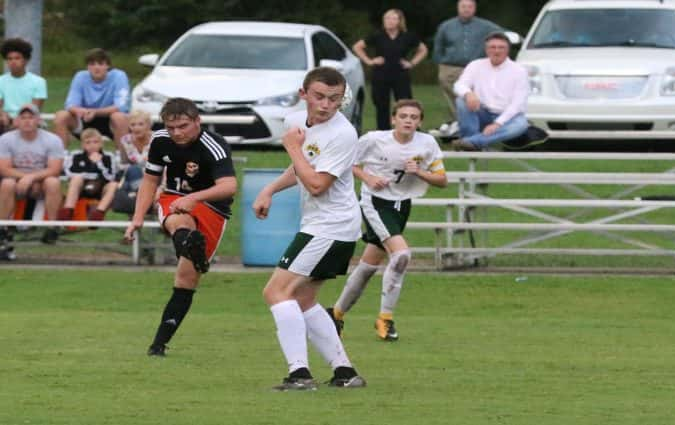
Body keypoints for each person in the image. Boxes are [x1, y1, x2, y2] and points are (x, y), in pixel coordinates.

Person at [252, 67, 366, 390]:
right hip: (322, 226)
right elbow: (302, 168)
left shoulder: (343, 134)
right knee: (301, 300)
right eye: (318, 96)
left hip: (332, 227)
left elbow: (316, 184)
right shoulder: (295, 123)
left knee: (276, 292)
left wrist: (292, 148)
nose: (326, 105)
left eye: (334, 99)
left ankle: (299, 374)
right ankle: (345, 372)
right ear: (304, 94)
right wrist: (270, 189)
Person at [124, 97, 237, 357]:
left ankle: (161, 341)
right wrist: (137, 219)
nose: (177, 133)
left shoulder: (214, 145)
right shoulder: (160, 140)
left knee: (187, 279)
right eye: (171, 127)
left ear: (198, 121)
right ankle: (156, 349)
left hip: (213, 207)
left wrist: (195, 198)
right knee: (178, 220)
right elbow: (150, 181)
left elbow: (229, 186)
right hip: (174, 197)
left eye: (183, 126)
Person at [329, 99, 447, 341]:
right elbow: (347, 163)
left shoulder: (427, 143)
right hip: (375, 202)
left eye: (414, 117)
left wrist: (420, 172)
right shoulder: (374, 139)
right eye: (403, 116)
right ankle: (385, 319)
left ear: (420, 122)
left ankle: (336, 313)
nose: (408, 121)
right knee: (402, 255)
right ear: (393, 119)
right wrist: (368, 178)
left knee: (368, 266)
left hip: (401, 205)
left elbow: (442, 180)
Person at [0, 103, 64, 257]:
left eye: (31, 117)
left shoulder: (52, 140)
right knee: (7, 183)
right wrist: (25, 178)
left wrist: (32, 177)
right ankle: (2, 227)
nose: (27, 121)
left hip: (41, 182)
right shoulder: (6, 139)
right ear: (17, 121)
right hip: (16, 182)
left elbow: (55, 169)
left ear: (38, 120)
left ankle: (53, 227)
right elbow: (4, 168)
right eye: (23, 117)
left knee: (53, 182)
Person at [451, 31, 530, 151]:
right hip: (482, 113)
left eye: (501, 47)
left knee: (521, 124)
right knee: (461, 100)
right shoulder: (476, 65)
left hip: (508, 117)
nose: (497, 51)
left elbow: (518, 104)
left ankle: (470, 142)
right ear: (486, 49)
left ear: (508, 50)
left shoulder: (519, 71)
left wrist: (498, 123)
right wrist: (468, 93)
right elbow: (459, 85)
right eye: (492, 47)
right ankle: (471, 141)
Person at [352, 8, 428, 131]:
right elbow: (357, 47)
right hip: (381, 74)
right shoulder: (377, 35)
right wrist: (369, 61)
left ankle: (407, 131)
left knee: (405, 104)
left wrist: (412, 63)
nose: (389, 21)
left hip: (400, 74)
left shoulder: (407, 36)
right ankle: (383, 132)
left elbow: (423, 49)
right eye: (387, 18)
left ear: (399, 21)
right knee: (381, 105)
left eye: (393, 18)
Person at [433, 0, 501, 120]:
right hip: (450, 67)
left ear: (474, 9)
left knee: (476, 95)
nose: (466, 9)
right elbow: (438, 45)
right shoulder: (446, 26)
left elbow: (504, 35)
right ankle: (458, 120)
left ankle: (475, 120)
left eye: (470, 6)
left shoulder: (487, 26)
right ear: (458, 8)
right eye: (463, 6)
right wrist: (441, 62)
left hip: (475, 68)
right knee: (453, 95)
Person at [54, 48, 130, 148]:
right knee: (61, 116)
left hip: (110, 121)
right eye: (92, 64)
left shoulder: (119, 76)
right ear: (88, 67)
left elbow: (121, 106)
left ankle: (123, 160)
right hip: (85, 118)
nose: (96, 68)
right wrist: (81, 111)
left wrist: (95, 112)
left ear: (107, 65)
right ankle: (60, 158)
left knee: (119, 117)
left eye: (100, 64)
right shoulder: (80, 76)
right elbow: (70, 105)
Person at [58, 128, 118, 221]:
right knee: (76, 178)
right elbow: (69, 172)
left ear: (101, 143)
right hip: (81, 188)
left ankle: (98, 213)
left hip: (101, 187)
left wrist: (99, 163)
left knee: (113, 185)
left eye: (95, 142)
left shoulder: (108, 157)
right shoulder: (76, 156)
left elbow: (111, 177)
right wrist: (90, 174)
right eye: (88, 142)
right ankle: (68, 210)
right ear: (82, 145)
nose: (92, 145)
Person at [0, 38, 47, 133]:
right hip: (6, 120)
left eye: (17, 58)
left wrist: (19, 120)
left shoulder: (39, 81)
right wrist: (3, 115)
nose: (13, 62)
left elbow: (34, 109)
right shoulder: (1, 80)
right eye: (9, 59)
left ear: (26, 60)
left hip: (28, 118)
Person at [112, 110, 153, 214]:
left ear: (148, 125)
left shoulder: (157, 139)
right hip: (133, 177)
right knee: (132, 170)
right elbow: (123, 163)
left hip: (153, 176)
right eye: (132, 125)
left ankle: (137, 197)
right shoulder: (126, 140)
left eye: (140, 124)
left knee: (134, 169)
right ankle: (138, 197)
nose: (136, 128)